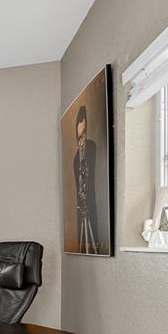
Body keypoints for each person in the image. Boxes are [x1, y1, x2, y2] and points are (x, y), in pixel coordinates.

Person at [73, 105, 99, 254]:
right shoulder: (76, 158)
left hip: (91, 207)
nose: (81, 142)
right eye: (78, 138)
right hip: (81, 210)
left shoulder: (92, 148)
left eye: (83, 135)